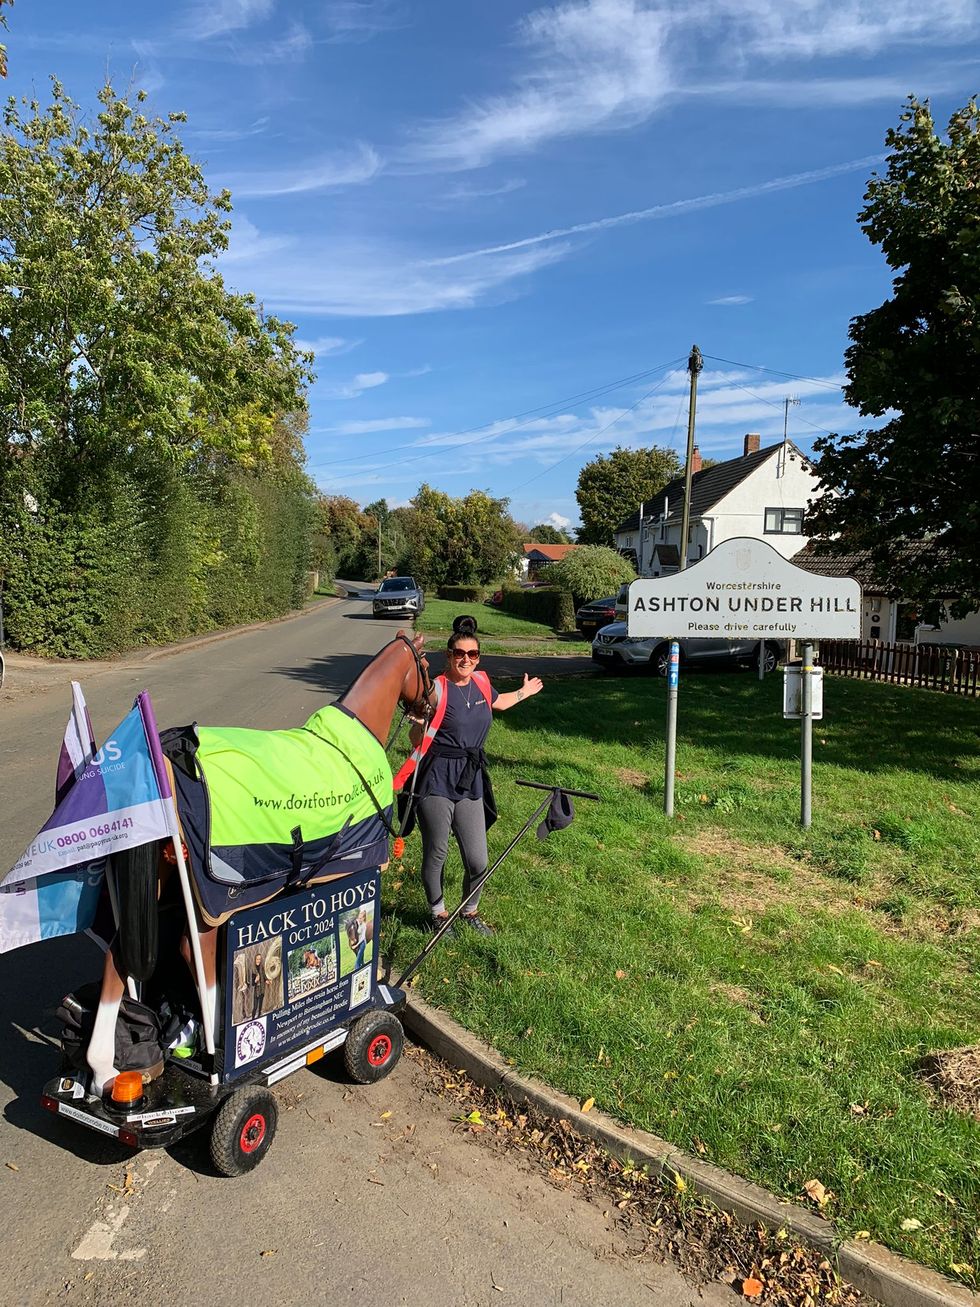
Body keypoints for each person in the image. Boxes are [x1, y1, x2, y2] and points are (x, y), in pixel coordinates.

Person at [395, 615, 543, 936]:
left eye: (472, 655)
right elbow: (416, 739)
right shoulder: (436, 690)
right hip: (436, 779)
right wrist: (418, 726)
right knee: (437, 853)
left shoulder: (481, 682)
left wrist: (524, 692)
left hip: (470, 779)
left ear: (478, 657)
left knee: (478, 860)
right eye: (459, 654)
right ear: (448, 656)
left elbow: (498, 702)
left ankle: (469, 911)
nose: (466, 660)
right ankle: (437, 913)